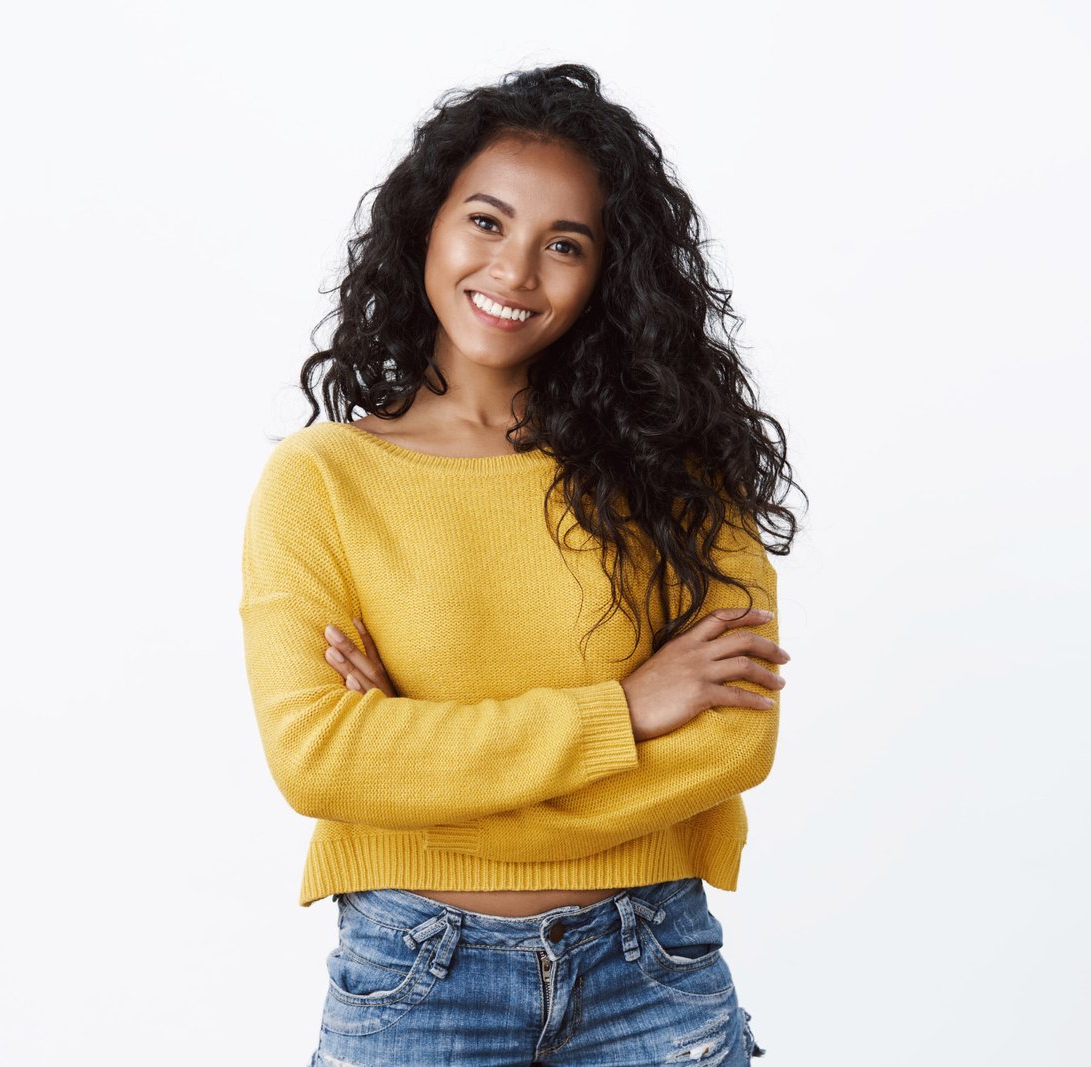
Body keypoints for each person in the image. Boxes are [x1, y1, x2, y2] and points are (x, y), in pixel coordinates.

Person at [238, 62, 802, 1066]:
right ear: (427, 225)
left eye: (565, 245)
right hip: (417, 976)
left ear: (607, 274)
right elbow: (321, 758)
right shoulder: (322, 481)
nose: (514, 272)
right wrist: (622, 711)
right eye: (487, 223)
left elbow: (732, 742)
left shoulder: (678, 466)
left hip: (651, 966)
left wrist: (417, 762)